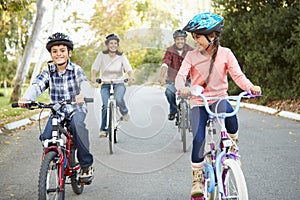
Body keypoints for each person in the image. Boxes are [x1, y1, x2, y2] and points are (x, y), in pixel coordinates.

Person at [175, 12, 261, 198]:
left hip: (219, 98)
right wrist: (183, 88)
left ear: (212, 36)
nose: (195, 41)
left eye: (198, 37)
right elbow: (181, 76)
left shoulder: (226, 54)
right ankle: (197, 177)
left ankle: (232, 147)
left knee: (230, 115)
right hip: (199, 101)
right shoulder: (191, 56)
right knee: (199, 138)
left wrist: (250, 87)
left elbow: (237, 75)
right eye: (194, 37)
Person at [18, 32, 94, 184]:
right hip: (57, 111)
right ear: (51, 54)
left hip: (75, 108)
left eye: (62, 50)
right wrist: (27, 98)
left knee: (78, 127)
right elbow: (38, 85)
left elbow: (84, 83)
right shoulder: (48, 71)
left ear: (69, 52)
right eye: (55, 51)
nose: (59, 54)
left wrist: (82, 94)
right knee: (47, 137)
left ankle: (86, 165)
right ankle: (56, 157)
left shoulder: (76, 69)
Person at [91, 33, 134, 138]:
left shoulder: (121, 56)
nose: (113, 45)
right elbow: (95, 67)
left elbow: (128, 68)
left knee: (118, 99)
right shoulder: (102, 55)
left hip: (119, 83)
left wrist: (130, 76)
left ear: (117, 45)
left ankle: (124, 112)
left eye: (115, 43)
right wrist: (93, 76)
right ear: (107, 44)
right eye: (111, 43)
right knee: (105, 105)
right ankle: (103, 129)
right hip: (105, 83)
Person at [159, 29, 194, 121]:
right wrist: (162, 77)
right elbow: (165, 63)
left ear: (185, 40)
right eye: (178, 39)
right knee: (169, 92)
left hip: (188, 79)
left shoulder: (191, 51)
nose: (180, 41)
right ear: (174, 40)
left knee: (195, 94)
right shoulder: (170, 50)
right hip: (173, 80)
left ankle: (194, 112)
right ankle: (173, 109)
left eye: (182, 39)